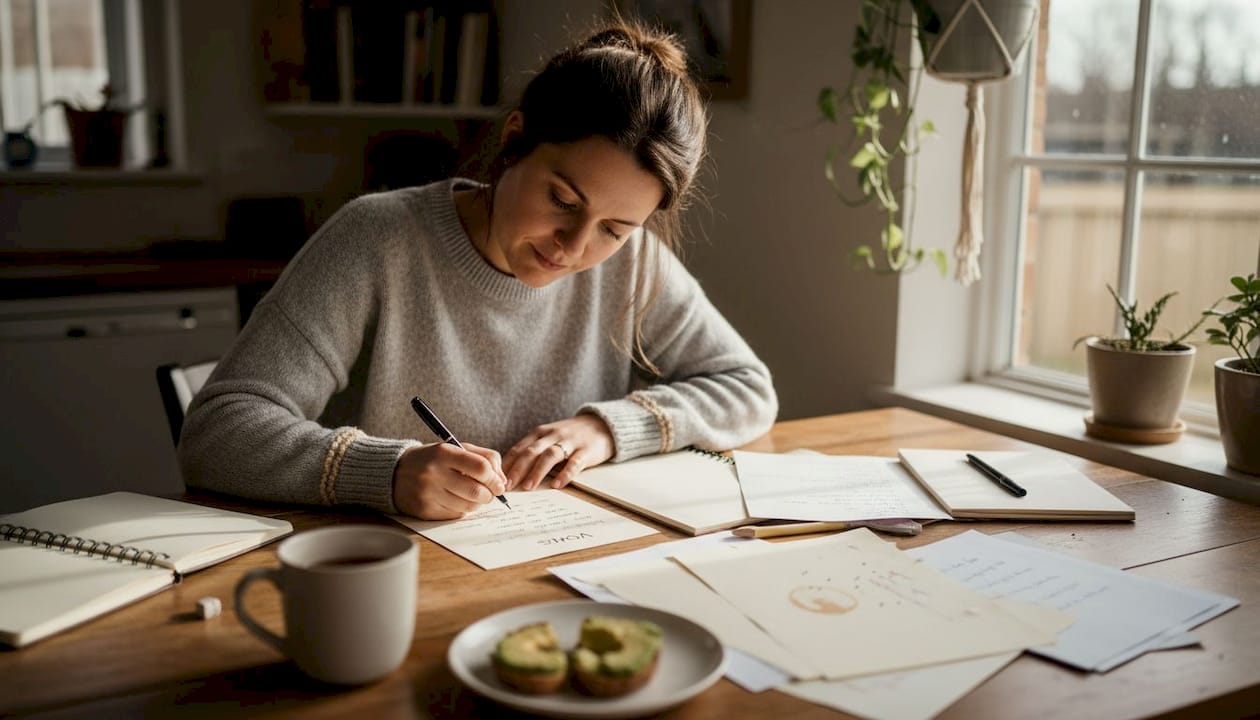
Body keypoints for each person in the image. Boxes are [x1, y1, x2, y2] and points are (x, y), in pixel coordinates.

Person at [178, 20, 777, 521]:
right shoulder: (378, 239)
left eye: (614, 229)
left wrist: (607, 430)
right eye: (563, 202)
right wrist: (387, 472)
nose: (574, 246)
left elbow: (748, 389)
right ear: (514, 140)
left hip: (557, 570)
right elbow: (217, 432)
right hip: (398, 578)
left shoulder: (635, 262)